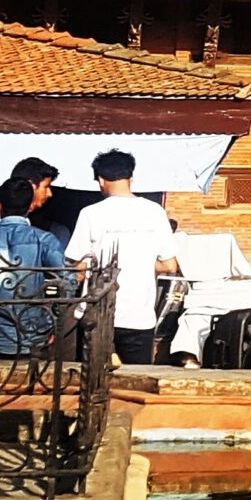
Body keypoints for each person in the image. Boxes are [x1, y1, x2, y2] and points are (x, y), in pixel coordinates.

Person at [63, 149, 181, 365]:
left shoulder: (91, 214)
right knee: (136, 382)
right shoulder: (154, 212)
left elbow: (78, 266)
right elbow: (170, 266)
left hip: (98, 312)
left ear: (100, 180)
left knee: (92, 381)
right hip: (140, 315)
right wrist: (142, 263)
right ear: (131, 178)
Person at [0, 173, 72, 358]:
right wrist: (53, 323)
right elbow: (69, 279)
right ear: (29, 207)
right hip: (31, 338)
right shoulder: (44, 240)